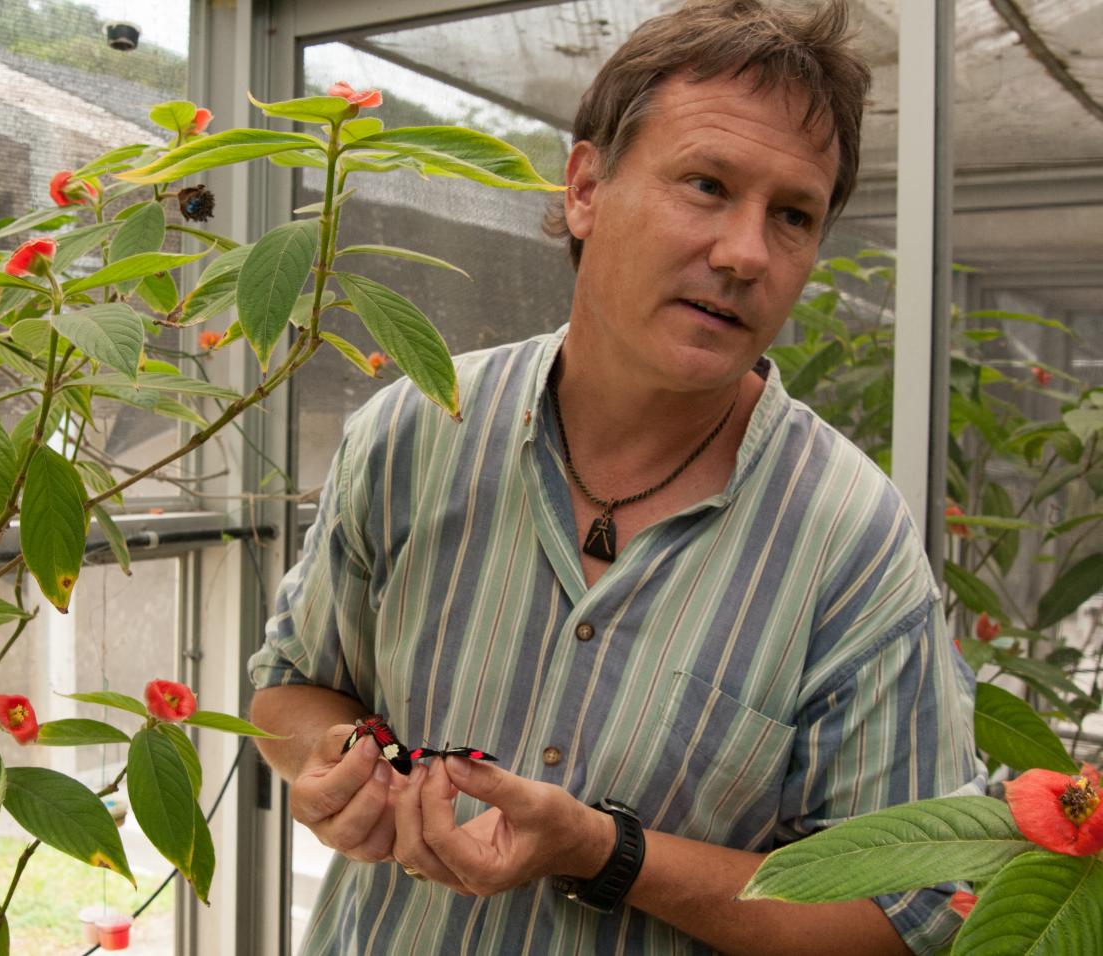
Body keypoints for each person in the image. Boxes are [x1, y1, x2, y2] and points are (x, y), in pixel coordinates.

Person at [248, 1, 985, 953]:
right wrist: (337, 765)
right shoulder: (416, 431)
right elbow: (290, 686)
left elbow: (907, 909)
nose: (745, 253)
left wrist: (606, 852)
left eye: (793, 216)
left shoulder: (848, 537)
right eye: (707, 185)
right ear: (587, 188)